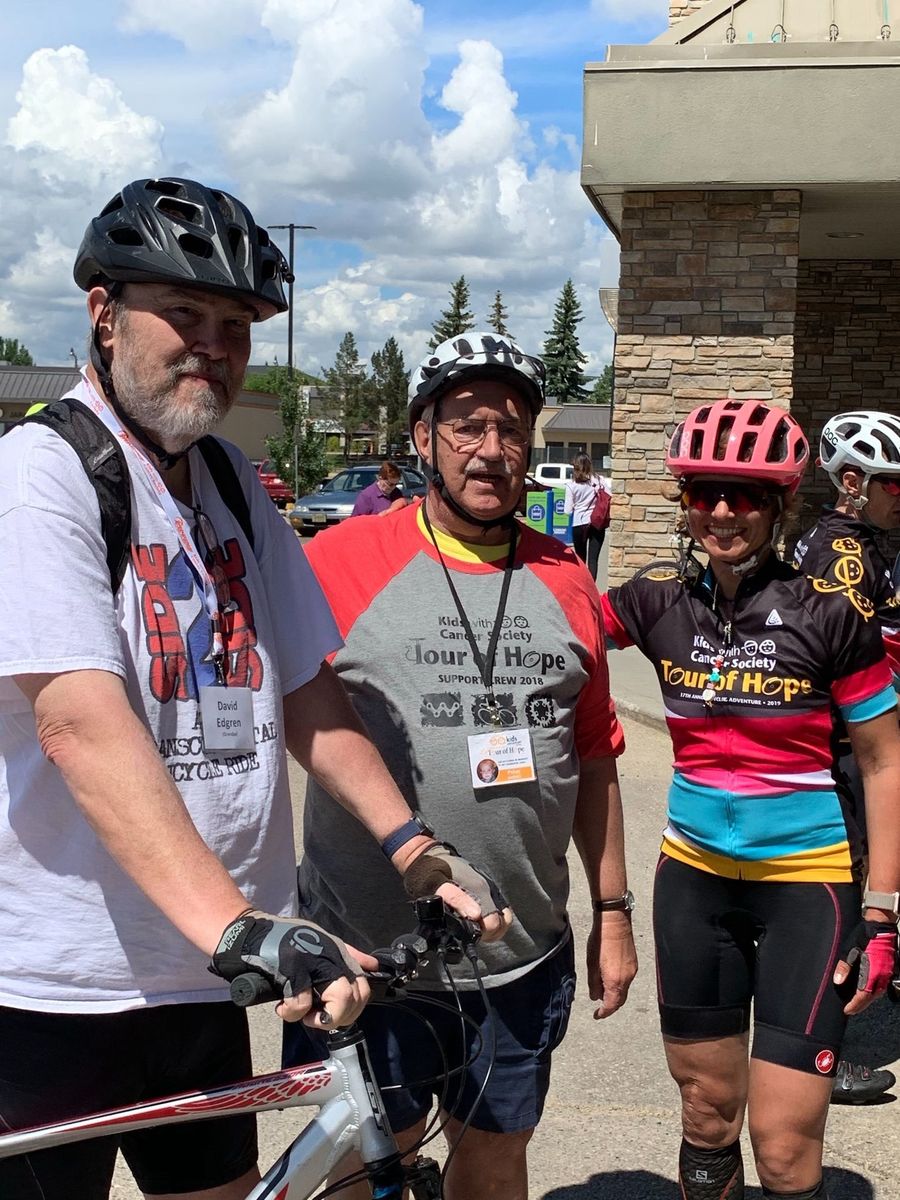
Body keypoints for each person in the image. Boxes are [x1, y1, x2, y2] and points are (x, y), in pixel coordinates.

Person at [0, 178, 504, 1200]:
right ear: (103, 313)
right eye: (183, 314)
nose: (214, 347)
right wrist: (239, 925)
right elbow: (80, 726)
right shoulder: (42, 474)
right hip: (57, 986)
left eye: (235, 326)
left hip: (204, 976)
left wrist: (413, 849)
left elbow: (308, 692)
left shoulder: (229, 481)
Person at [284, 331, 637, 1200]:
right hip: (369, 957)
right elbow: (285, 719)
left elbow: (595, 758)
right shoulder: (336, 562)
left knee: (496, 1155)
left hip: (520, 950)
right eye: (468, 425)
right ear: (423, 436)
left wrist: (614, 913)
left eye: (512, 428)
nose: (492, 449)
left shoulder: (566, 577)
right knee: (364, 1165)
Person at [599, 398, 900, 1200]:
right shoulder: (657, 599)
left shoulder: (828, 611)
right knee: (706, 1114)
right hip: (693, 881)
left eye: (747, 495)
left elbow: (883, 761)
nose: (725, 512)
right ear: (685, 500)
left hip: (807, 884)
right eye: (706, 492)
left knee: (785, 1144)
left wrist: (882, 912)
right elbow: (551, 630)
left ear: (779, 505)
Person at [792, 409, 900, 1104]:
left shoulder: (857, 542)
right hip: (843, 752)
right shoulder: (844, 558)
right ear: (854, 482)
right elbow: (849, 669)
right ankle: (818, 1056)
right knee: (843, 903)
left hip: (851, 748)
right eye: (896, 483)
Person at [563, 452, 608, 579]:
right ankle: (592, 587)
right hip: (597, 522)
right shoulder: (599, 480)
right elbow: (608, 496)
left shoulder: (571, 485)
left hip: (579, 523)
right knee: (593, 560)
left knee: (580, 559)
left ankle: (582, 585)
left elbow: (567, 511)